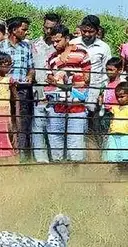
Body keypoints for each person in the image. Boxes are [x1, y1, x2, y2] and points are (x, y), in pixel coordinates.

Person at [0, 16, 34, 161]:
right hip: (2, 91)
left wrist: (30, 76)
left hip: (22, 90)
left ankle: (20, 157)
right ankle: (0, 154)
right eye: (23, 29)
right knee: (3, 122)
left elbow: (31, 69)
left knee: (21, 122)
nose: (26, 32)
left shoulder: (27, 47)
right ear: (14, 30)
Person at [43, 24, 91, 162]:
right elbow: (49, 78)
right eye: (53, 41)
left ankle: (76, 175)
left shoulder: (82, 53)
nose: (54, 44)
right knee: (55, 142)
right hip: (57, 105)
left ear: (67, 38)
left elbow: (88, 79)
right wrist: (56, 81)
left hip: (77, 105)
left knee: (75, 143)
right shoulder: (51, 57)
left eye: (58, 40)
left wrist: (66, 83)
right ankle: (59, 174)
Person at [31, 12, 60, 163]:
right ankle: (41, 160)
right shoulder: (34, 44)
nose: (48, 31)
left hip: (56, 90)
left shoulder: (60, 47)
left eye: (52, 28)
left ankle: (56, 158)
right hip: (38, 88)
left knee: (55, 126)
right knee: (38, 125)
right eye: (46, 27)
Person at [102, 82, 128, 163]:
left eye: (122, 97)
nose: (119, 99)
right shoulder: (114, 108)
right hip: (113, 135)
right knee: (112, 156)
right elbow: (111, 120)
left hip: (125, 135)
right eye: (117, 97)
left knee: (125, 156)